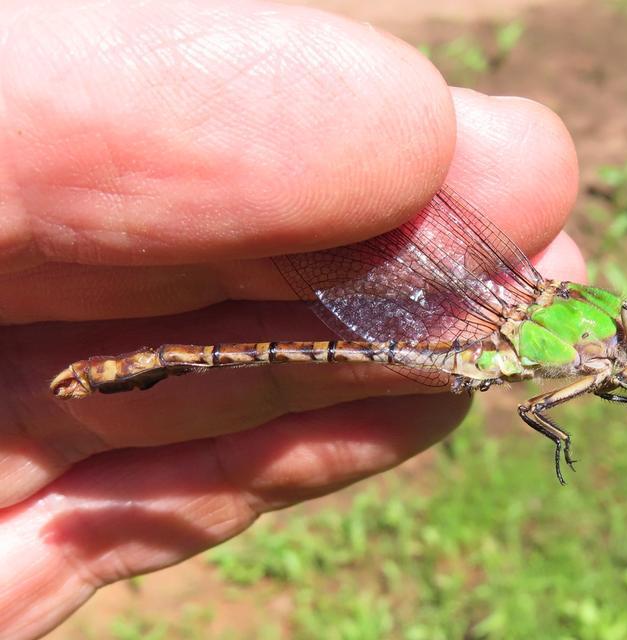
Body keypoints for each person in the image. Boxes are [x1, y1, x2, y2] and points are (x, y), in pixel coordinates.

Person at [0, 2, 584, 637]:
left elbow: (546, 401)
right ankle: (142, 366)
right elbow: (539, 405)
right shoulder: (561, 324)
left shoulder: (592, 344)